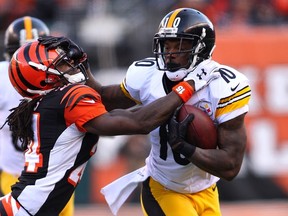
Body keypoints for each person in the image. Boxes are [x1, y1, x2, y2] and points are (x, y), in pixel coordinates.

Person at [0, 35, 202, 215]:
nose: (70, 64)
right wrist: (185, 89)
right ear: (43, 78)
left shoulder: (47, 103)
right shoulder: (67, 98)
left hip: (22, 207)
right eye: (61, 64)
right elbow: (137, 123)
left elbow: (119, 113)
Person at [89, 8, 251, 216]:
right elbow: (104, 99)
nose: (171, 53)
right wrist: (82, 71)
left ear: (201, 48)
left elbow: (230, 166)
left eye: (180, 46)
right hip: (164, 189)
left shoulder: (224, 86)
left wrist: (186, 148)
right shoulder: (148, 76)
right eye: (167, 45)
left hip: (207, 191)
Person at [0, 16, 74, 216]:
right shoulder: (3, 77)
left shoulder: (63, 77)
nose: (28, 60)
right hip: (19, 176)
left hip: (57, 176)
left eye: (33, 53)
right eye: (23, 53)